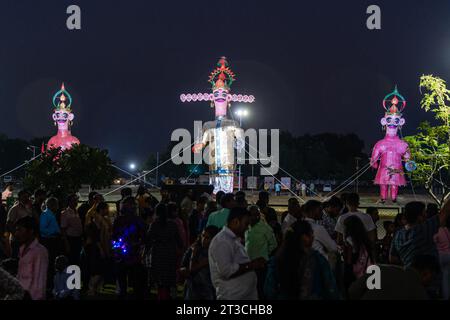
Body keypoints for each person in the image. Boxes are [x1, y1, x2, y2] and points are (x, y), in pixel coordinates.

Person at [269, 220, 339, 300]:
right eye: (311, 234)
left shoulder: (277, 258)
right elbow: (330, 287)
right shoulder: (317, 259)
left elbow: (269, 290)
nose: (313, 237)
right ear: (305, 237)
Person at [209, 207, 266, 300]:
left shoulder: (233, 240)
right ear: (235, 222)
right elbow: (226, 271)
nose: (247, 228)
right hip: (232, 296)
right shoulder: (222, 241)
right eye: (246, 224)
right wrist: (251, 265)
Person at [349, 254, 440, 300]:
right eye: (433, 278)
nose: (432, 282)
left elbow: (352, 291)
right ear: (426, 273)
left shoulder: (380, 270)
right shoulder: (419, 293)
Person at [390, 201, 449, 267]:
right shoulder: (423, 229)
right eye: (424, 213)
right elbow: (445, 211)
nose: (426, 215)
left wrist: (408, 261)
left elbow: (392, 258)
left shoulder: (398, 234)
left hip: (408, 273)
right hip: (428, 273)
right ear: (419, 217)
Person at [112, 196, 147, 299]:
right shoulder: (134, 220)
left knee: (129, 281)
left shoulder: (122, 220)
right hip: (128, 254)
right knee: (130, 281)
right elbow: (144, 238)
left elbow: (114, 237)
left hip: (130, 254)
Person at [146, 203, 182, 300]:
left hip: (158, 254)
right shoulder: (172, 224)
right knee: (169, 279)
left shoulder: (154, 225)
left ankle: (161, 296)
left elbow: (148, 240)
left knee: (160, 280)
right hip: (170, 253)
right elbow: (179, 241)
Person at [245, 205, 277, 299]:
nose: (255, 217)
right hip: (248, 265)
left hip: (261, 266)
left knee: (261, 290)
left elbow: (273, 244)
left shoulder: (265, 228)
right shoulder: (245, 227)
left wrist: (265, 255)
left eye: (257, 215)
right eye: (252, 215)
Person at [181, 226, 220, 300]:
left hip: (209, 290)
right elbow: (183, 266)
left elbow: (192, 269)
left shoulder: (215, 252)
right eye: (203, 236)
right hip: (192, 289)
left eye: (207, 238)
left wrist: (194, 255)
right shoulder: (194, 248)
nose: (203, 240)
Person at [15, 216, 48, 300]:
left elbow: (39, 282)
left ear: (31, 231)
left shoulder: (39, 252)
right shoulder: (22, 249)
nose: (16, 234)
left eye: (20, 230)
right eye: (16, 230)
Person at [342, 215, 375, 292]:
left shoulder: (349, 240)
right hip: (367, 271)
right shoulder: (365, 239)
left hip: (354, 272)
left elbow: (349, 260)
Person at [39, 197, 62, 292]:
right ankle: (48, 285)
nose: (58, 206)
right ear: (52, 205)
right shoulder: (45, 214)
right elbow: (43, 229)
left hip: (52, 241)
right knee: (49, 263)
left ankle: (51, 284)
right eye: (56, 204)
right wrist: (55, 231)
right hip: (48, 241)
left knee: (52, 263)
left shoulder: (50, 214)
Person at [81, 223, 105, 297]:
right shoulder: (95, 240)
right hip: (94, 256)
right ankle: (93, 289)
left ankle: (92, 289)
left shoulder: (88, 240)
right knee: (95, 272)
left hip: (91, 256)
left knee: (92, 272)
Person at [6, 190, 32, 258]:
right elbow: (9, 223)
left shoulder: (29, 208)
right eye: (24, 196)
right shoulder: (15, 209)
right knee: (16, 260)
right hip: (17, 240)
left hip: (27, 239)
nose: (27, 198)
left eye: (28, 197)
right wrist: (17, 235)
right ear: (20, 198)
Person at [60, 194, 83, 266]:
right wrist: (66, 243)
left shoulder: (76, 212)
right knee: (71, 259)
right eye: (73, 200)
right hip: (71, 239)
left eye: (76, 200)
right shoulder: (65, 213)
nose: (76, 202)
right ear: (69, 202)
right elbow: (63, 229)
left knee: (77, 258)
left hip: (78, 238)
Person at [433, 213, 450, 299]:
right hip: (449, 255)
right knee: (446, 277)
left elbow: (433, 241)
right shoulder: (447, 230)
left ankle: (443, 295)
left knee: (442, 277)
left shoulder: (436, 231)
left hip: (441, 256)